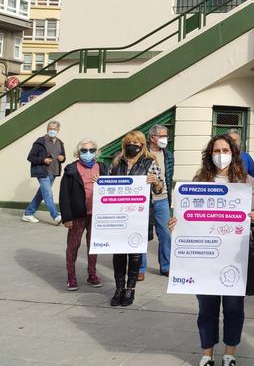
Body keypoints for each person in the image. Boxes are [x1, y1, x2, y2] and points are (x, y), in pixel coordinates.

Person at [169, 134, 254, 366]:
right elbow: (186, 216)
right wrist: (176, 224)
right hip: (205, 258)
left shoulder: (246, 182)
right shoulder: (199, 180)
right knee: (207, 308)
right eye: (216, 151)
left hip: (234, 257)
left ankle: (230, 353)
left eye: (225, 150)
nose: (221, 155)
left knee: (233, 308)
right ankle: (207, 354)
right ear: (210, 155)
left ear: (233, 153)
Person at [109, 131, 164, 306]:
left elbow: (159, 189)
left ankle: (130, 289)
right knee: (118, 252)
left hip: (139, 215)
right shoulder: (117, 162)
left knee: (134, 253)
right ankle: (118, 289)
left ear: (142, 144)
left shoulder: (150, 162)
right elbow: (109, 184)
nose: (133, 145)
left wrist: (155, 181)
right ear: (124, 144)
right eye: (129, 142)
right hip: (119, 215)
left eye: (136, 142)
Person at [59, 137, 107, 291]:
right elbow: (64, 195)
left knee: (94, 246)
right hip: (78, 214)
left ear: (96, 152)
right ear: (78, 152)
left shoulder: (103, 168)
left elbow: (112, 187)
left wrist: (102, 181)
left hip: (97, 214)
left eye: (91, 150)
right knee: (73, 245)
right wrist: (67, 217)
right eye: (84, 150)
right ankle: (71, 276)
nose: (88, 153)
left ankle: (92, 274)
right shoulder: (71, 169)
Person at [139, 124, 173, 279]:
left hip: (163, 199)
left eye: (166, 136)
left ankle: (166, 266)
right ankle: (140, 268)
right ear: (152, 138)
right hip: (145, 200)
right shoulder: (142, 154)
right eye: (161, 136)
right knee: (142, 233)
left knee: (166, 233)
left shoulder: (169, 155)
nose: (164, 139)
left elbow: (168, 177)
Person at [22, 120, 66, 224]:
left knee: (41, 194)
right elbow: (30, 157)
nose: (52, 130)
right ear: (47, 129)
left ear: (58, 130)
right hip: (43, 172)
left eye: (54, 129)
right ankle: (55, 216)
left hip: (54, 172)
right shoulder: (41, 141)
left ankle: (28, 213)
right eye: (50, 128)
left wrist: (62, 158)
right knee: (48, 194)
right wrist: (43, 160)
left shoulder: (60, 142)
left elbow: (63, 157)